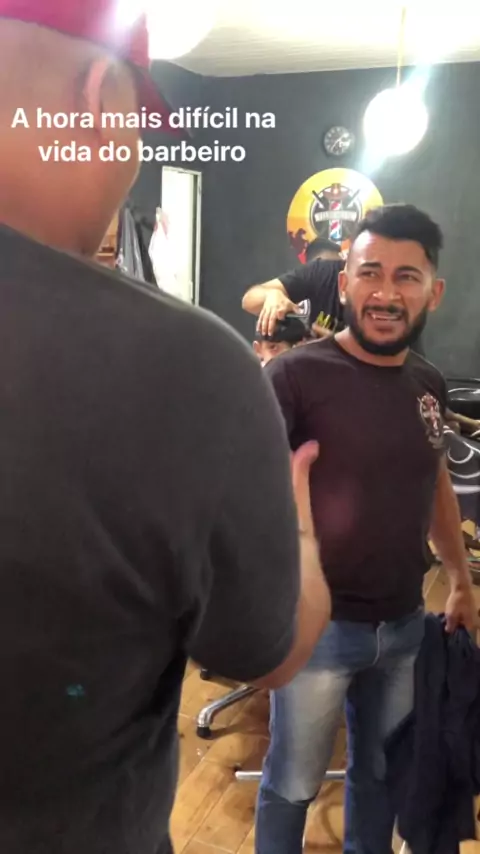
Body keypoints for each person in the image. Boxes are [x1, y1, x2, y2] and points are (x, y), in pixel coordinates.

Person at [0, 3, 331, 853]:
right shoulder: (184, 366)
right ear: (94, 99)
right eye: (136, 128)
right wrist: (302, 534)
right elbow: (265, 649)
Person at [256, 204, 478, 854]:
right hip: (315, 634)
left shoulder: (428, 384)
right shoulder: (294, 377)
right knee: (292, 785)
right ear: (343, 282)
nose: (386, 292)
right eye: (370, 272)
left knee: (381, 779)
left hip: (406, 627)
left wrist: (460, 580)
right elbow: (239, 499)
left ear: (434, 291)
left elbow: (435, 483)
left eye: (407, 276)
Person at [242, 234, 427, 355]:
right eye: (368, 272)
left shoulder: (392, 302)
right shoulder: (320, 273)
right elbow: (250, 299)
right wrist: (272, 295)